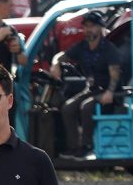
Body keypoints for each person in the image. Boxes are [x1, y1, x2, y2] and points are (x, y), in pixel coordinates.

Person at [52, 10, 121, 158]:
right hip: (92, 90)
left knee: (87, 107)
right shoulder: (82, 47)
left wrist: (110, 92)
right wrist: (55, 63)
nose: (89, 30)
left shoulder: (109, 49)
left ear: (100, 28)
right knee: (68, 107)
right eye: (86, 26)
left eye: (92, 26)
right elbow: (62, 56)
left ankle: (87, 146)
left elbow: (115, 73)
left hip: (110, 92)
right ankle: (73, 147)